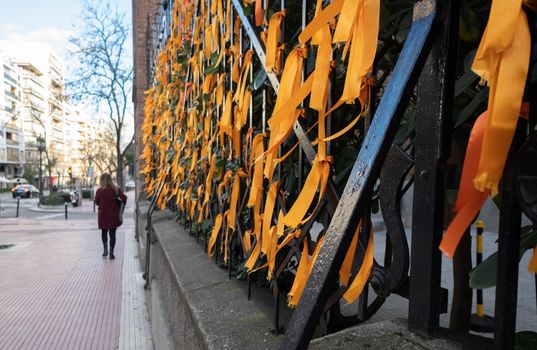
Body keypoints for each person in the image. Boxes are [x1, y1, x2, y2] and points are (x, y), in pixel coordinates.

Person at [95, 173, 127, 260]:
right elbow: (124, 198)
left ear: (101, 181)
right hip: (113, 215)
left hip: (103, 215)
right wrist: (117, 202)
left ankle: (105, 250)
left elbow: (97, 202)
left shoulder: (99, 191)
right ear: (110, 180)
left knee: (104, 232)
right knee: (112, 234)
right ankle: (111, 253)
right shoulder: (115, 190)